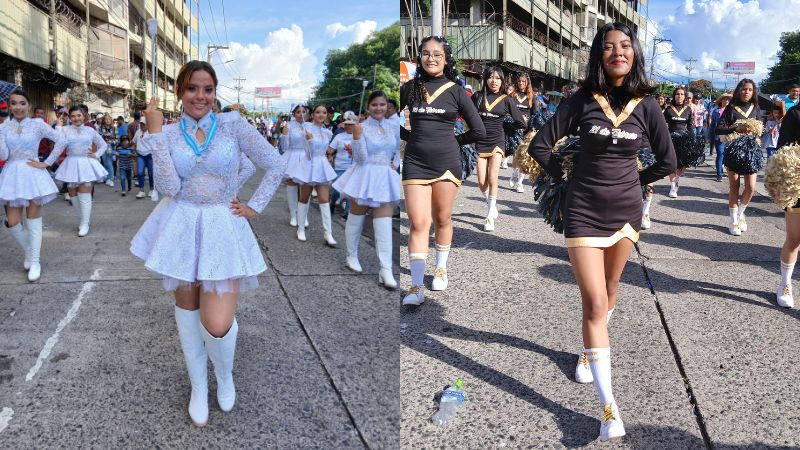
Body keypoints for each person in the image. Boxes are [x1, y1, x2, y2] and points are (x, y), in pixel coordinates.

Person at [528, 22, 675, 441]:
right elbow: (541, 145)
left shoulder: (647, 105)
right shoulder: (580, 100)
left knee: (611, 291)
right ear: (599, 55)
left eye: (625, 46)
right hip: (584, 212)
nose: (617, 53)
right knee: (594, 302)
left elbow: (667, 159)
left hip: (626, 215)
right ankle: (609, 408)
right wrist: (565, 178)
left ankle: (586, 350)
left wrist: (638, 179)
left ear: (634, 54)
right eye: (609, 47)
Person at [130, 61, 285, 427]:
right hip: (181, 225)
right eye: (192, 89)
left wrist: (254, 206)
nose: (200, 96)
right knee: (187, 314)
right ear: (180, 92)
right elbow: (168, 188)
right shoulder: (166, 133)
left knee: (216, 322)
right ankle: (199, 386)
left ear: (215, 92)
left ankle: (225, 375)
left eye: (207, 89)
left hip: (222, 226)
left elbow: (274, 164)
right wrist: (154, 135)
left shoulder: (234, 125)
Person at [400, 35, 486, 306]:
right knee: (418, 222)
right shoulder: (411, 88)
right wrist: (407, 136)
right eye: (425, 53)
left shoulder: (457, 90)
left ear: (446, 59)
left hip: (447, 164)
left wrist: (455, 141)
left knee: (442, 218)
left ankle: (440, 268)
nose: (431, 58)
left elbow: (479, 130)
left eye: (437, 54)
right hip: (414, 162)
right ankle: (415, 286)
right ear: (420, 57)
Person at [333, 91, 400, 288]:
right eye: (374, 105)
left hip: (385, 177)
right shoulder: (360, 128)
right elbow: (360, 159)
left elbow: (398, 150)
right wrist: (356, 138)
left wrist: (394, 164)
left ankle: (385, 269)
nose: (378, 108)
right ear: (368, 107)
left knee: (384, 224)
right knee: (356, 218)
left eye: (382, 104)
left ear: (387, 106)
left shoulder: (393, 126)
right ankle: (351, 255)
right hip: (364, 176)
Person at [0, 90, 67, 281]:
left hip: (33, 173)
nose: (18, 107)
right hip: (12, 174)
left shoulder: (37, 124)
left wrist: (47, 163)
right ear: (9, 106)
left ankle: (35, 261)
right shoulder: (4, 127)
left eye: (22, 103)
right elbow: (3, 156)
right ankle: (29, 251)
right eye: (13, 103)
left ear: (28, 105)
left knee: (33, 219)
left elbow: (61, 140)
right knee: (12, 222)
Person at [472, 66, 525, 231]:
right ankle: (491, 204)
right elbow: (467, 115)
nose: (493, 81)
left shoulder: (506, 99)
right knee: (482, 182)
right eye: (490, 77)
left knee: (493, 178)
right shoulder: (478, 97)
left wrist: (507, 128)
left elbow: (521, 122)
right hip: (480, 142)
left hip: (497, 141)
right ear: (485, 79)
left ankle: (489, 217)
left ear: (502, 81)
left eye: (497, 78)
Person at [283, 104, 338, 245]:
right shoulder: (306, 129)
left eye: (324, 112)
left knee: (324, 199)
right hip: (308, 165)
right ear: (312, 115)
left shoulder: (327, 132)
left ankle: (328, 233)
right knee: (304, 198)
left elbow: (326, 151)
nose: (321, 115)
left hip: (322, 165)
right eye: (318, 112)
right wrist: (310, 140)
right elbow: (308, 153)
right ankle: (300, 228)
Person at [715, 79, 761, 236]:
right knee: (734, 186)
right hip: (734, 150)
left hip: (751, 151)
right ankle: (733, 220)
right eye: (743, 89)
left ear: (753, 91)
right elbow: (718, 128)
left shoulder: (756, 108)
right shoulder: (730, 108)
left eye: (749, 89)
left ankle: (741, 213)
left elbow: (760, 128)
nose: (746, 92)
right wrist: (736, 128)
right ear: (739, 91)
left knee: (751, 187)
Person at [772, 102, 800, 307]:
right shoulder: (795, 113)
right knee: (795, 238)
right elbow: (782, 151)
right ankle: (785, 284)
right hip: (798, 183)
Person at [280, 105, 308, 227]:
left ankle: (303, 216)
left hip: (306, 157)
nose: (301, 114)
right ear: (294, 114)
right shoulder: (289, 126)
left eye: (303, 112)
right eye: (298, 112)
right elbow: (285, 147)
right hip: (292, 155)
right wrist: (285, 135)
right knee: (292, 183)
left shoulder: (310, 126)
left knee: (305, 186)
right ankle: (293, 215)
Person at [507, 72, 536, 192]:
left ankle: (520, 183)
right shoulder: (513, 95)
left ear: (527, 83)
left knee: (524, 156)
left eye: (523, 81)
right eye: (519, 81)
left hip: (526, 131)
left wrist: (533, 129)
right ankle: (514, 172)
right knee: (515, 155)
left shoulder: (532, 97)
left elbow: (535, 114)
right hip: (514, 129)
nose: (521, 83)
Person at [664, 86, 694, 198]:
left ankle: (676, 179)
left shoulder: (688, 109)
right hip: (671, 139)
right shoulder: (668, 109)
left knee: (682, 165)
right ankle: (672, 187)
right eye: (677, 94)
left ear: (685, 97)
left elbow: (691, 126)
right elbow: (662, 125)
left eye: (682, 94)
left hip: (684, 140)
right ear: (674, 95)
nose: (679, 96)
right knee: (672, 163)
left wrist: (692, 139)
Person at [328, 111, 356, 218]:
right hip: (339, 167)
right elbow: (330, 149)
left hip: (353, 168)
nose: (349, 126)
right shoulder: (339, 136)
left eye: (351, 124)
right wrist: (329, 153)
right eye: (347, 124)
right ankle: (333, 203)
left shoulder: (358, 136)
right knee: (336, 190)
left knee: (350, 190)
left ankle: (347, 212)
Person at [709, 93, 732, 180]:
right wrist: (709, 136)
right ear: (721, 100)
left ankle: (723, 170)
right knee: (720, 154)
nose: (727, 101)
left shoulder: (731, 111)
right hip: (719, 135)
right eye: (725, 99)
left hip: (729, 136)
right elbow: (712, 125)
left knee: (726, 155)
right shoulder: (716, 111)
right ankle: (719, 173)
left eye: (728, 100)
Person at [132, 118, 156, 200]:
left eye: (144, 124)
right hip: (140, 155)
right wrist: (134, 150)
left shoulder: (152, 132)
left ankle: (152, 189)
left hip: (150, 155)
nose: (142, 125)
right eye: (141, 124)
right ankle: (141, 191)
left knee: (151, 173)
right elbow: (134, 142)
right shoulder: (138, 132)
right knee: (140, 172)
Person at [97, 114, 117, 187]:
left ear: (111, 120)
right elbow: (98, 138)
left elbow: (117, 139)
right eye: (106, 119)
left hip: (111, 147)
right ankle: (107, 177)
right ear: (103, 120)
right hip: (103, 147)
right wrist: (103, 136)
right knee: (105, 163)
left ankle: (111, 179)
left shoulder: (114, 128)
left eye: (109, 119)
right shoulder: (100, 128)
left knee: (109, 163)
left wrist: (112, 142)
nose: (107, 120)